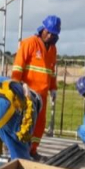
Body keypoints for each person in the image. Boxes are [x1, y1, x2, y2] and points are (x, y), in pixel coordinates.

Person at [11, 15, 60, 159]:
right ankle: (19, 151)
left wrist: (53, 87)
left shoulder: (53, 49)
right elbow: (18, 66)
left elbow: (51, 70)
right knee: (25, 121)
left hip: (42, 94)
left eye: (53, 34)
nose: (50, 35)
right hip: (28, 92)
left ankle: (32, 150)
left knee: (39, 123)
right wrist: (16, 86)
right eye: (48, 32)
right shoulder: (29, 43)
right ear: (43, 29)